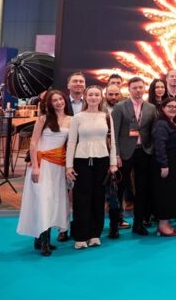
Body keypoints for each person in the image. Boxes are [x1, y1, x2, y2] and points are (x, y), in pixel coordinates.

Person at [17, 90, 73, 256]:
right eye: (54, 100)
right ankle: (44, 241)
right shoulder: (43, 119)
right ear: (49, 103)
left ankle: (40, 237)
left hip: (59, 165)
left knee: (53, 201)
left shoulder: (72, 120)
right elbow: (33, 144)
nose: (59, 102)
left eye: (60, 99)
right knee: (42, 200)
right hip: (43, 165)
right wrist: (35, 166)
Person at [65, 86, 118, 249]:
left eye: (96, 95)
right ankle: (81, 236)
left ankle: (95, 234)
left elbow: (112, 141)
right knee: (81, 198)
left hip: (102, 160)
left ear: (101, 98)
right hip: (81, 160)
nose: (93, 97)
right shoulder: (77, 117)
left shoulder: (107, 116)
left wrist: (113, 163)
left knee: (98, 197)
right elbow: (71, 142)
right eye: (90, 95)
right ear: (85, 97)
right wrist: (69, 166)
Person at [110, 77, 157, 238]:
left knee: (142, 189)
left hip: (144, 152)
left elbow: (154, 131)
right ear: (129, 89)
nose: (138, 90)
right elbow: (114, 133)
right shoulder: (119, 107)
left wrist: (152, 149)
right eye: (134, 87)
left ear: (144, 89)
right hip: (124, 154)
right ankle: (114, 225)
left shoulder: (151, 108)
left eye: (140, 87)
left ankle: (138, 224)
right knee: (120, 189)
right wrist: (116, 154)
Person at [151, 98, 176, 237]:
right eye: (169, 106)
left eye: (175, 107)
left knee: (171, 193)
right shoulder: (161, 124)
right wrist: (164, 164)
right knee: (165, 193)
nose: (173, 109)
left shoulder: (173, 122)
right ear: (163, 108)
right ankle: (162, 225)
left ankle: (166, 223)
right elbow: (160, 145)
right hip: (166, 163)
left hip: (175, 162)